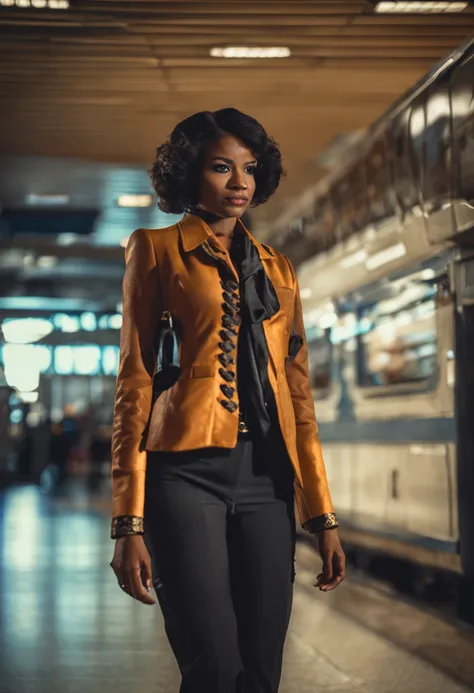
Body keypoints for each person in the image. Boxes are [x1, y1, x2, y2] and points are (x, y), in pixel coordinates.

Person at [110, 108, 345, 693]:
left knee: (262, 672)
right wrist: (126, 521)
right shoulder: (155, 249)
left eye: (249, 168)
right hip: (184, 477)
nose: (239, 182)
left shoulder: (279, 269)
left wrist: (322, 515)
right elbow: (135, 380)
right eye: (221, 167)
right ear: (191, 174)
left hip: (267, 483)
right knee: (212, 668)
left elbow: (298, 400)